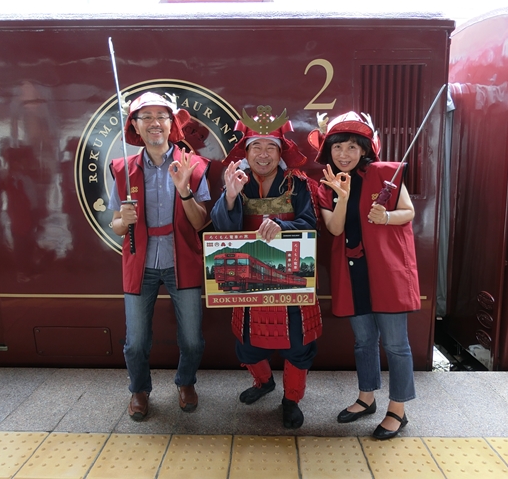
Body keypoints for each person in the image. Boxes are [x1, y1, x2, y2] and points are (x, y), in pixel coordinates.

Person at [307, 111, 420, 440]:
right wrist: (341, 198)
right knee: (364, 341)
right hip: (352, 273)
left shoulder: (387, 174)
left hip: (387, 272)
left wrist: (386, 216)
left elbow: (408, 212)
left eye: (352, 148)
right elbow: (335, 227)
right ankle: (367, 397)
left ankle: (398, 409)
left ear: (365, 149)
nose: (343, 155)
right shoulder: (326, 184)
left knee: (397, 345)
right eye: (338, 147)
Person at [210, 106, 322, 429]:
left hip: (292, 280)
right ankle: (264, 382)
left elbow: (310, 224)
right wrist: (229, 198)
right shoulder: (239, 183)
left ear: (280, 151)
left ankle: (291, 400)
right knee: (246, 345)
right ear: (246, 152)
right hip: (249, 282)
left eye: (270, 147)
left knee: (298, 345)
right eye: (255, 147)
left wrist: (283, 228)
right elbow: (223, 232)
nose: (262, 154)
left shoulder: (297, 184)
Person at [109, 92, 209, 421]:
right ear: (135, 126)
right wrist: (123, 221)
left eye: (162, 116)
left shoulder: (192, 166)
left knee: (193, 340)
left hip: (183, 259)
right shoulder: (123, 168)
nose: (155, 123)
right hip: (140, 263)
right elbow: (116, 226)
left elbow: (200, 223)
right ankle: (139, 390)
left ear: (171, 125)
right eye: (146, 117)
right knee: (136, 342)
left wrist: (184, 190)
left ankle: (185, 382)